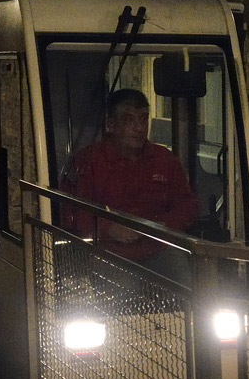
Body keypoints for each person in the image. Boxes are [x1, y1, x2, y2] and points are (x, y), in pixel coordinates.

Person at [60, 88, 199, 285]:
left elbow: (188, 204)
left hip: (157, 248)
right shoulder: (88, 161)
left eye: (143, 119)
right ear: (111, 124)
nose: (139, 128)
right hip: (111, 252)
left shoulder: (163, 159)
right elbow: (71, 211)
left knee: (186, 284)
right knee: (120, 290)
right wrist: (109, 228)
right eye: (128, 120)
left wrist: (162, 226)